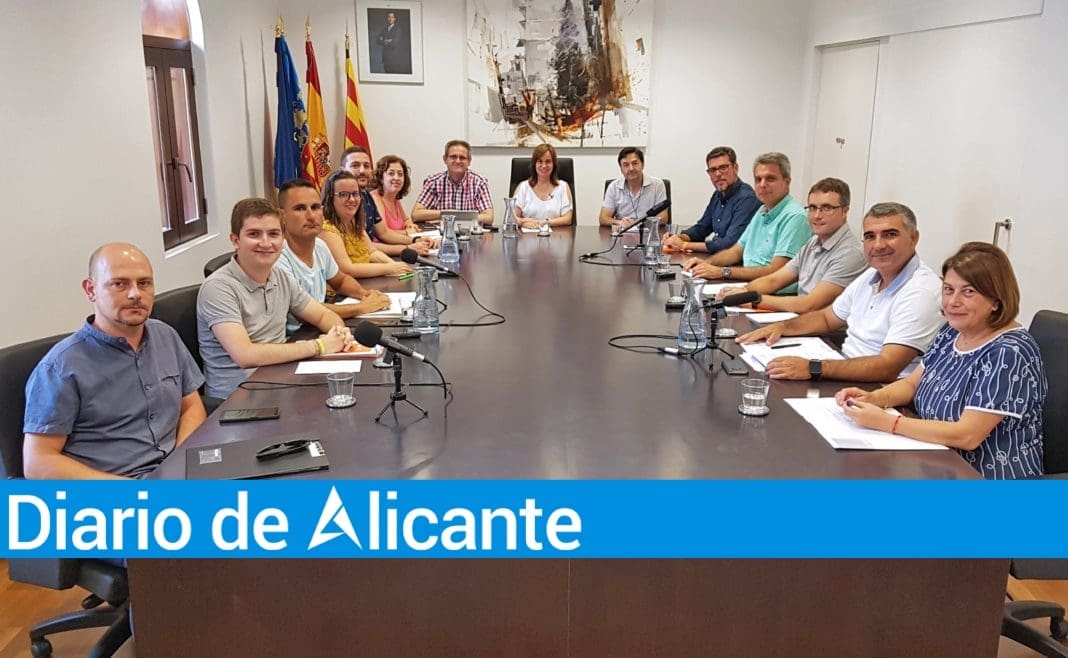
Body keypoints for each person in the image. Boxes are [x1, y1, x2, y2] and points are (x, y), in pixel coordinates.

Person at [836, 242, 1047, 479]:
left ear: (996, 300)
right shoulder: (952, 332)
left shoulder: (1010, 352)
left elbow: (967, 435)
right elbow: (912, 384)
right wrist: (874, 399)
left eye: (968, 292)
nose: (953, 302)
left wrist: (887, 422)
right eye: (948, 289)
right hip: (936, 462)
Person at [23, 243, 206, 479]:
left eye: (144, 283)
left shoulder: (165, 335)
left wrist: (179, 465)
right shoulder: (60, 368)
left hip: (177, 473)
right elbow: (38, 463)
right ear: (91, 290)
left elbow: (191, 406)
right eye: (119, 284)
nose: (135, 294)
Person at [737, 202, 942, 382]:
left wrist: (813, 368)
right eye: (870, 236)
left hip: (881, 389)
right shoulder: (871, 275)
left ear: (913, 238)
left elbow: (887, 366)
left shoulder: (921, 292)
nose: (878, 245)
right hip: (844, 371)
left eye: (890, 234)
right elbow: (827, 318)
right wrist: (782, 327)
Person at [197, 198, 357, 400]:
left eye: (273, 234)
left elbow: (323, 315)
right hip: (238, 399)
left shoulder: (279, 276)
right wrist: (319, 346)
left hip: (280, 382)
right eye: (254, 234)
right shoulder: (218, 288)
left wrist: (339, 333)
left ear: (283, 239)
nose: (266, 243)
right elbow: (245, 355)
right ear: (235, 240)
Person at [717, 177, 866, 313]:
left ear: (844, 211)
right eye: (812, 208)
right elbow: (774, 280)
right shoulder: (814, 242)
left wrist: (752, 298)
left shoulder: (850, 253)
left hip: (825, 329)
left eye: (827, 208)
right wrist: (742, 291)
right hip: (801, 318)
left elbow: (810, 304)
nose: (817, 216)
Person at [275, 179, 390, 335]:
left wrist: (365, 294)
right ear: (282, 216)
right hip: (297, 337)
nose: (311, 216)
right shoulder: (277, 257)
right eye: (300, 208)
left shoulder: (320, 246)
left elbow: (340, 280)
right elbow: (304, 312)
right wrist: (363, 307)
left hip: (323, 327)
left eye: (315, 207)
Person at [682, 152, 810, 290]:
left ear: (787, 182)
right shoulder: (762, 211)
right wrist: (706, 263)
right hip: (749, 285)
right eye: (758, 179)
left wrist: (723, 272)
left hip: (771, 294)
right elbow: (735, 252)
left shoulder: (794, 217)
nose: (763, 184)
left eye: (770, 178)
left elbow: (775, 272)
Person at [663, 146, 759, 254]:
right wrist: (678, 238)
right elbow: (702, 228)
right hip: (719, 257)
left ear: (735, 168)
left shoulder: (747, 199)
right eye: (713, 170)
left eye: (723, 168)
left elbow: (730, 245)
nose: (717, 174)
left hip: (736, 261)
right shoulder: (718, 195)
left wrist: (684, 245)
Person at [340, 146, 434, 257]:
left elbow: (384, 233)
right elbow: (364, 246)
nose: (362, 171)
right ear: (342, 170)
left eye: (366, 166)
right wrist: (408, 248)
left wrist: (417, 240)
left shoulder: (366, 196)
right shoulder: (342, 202)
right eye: (355, 165)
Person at [319, 170, 412, 280]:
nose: (352, 199)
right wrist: (389, 268)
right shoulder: (327, 230)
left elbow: (372, 252)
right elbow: (347, 269)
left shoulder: (353, 223)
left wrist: (396, 266)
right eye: (343, 194)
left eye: (355, 194)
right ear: (330, 198)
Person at [412, 140, 494, 225]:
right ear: (445, 159)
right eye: (453, 157)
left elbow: (489, 217)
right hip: (440, 233)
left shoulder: (479, 183)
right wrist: (452, 215)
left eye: (462, 157)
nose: (458, 161)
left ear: (469, 162)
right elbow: (416, 214)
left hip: (469, 232)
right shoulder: (433, 182)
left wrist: (446, 218)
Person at [599, 147, 669, 227]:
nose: (631, 168)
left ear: (642, 165)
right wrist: (620, 222)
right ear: (621, 168)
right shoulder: (614, 187)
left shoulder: (657, 185)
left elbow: (663, 218)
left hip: (649, 231)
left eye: (635, 163)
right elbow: (603, 218)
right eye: (626, 165)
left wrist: (637, 224)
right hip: (623, 232)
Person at [512, 143, 573, 229]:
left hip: (557, 235)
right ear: (534, 164)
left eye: (548, 161)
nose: (544, 166)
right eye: (540, 161)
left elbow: (568, 219)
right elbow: (513, 217)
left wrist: (543, 222)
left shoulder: (563, 187)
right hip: (527, 235)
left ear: (554, 164)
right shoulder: (524, 187)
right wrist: (522, 223)